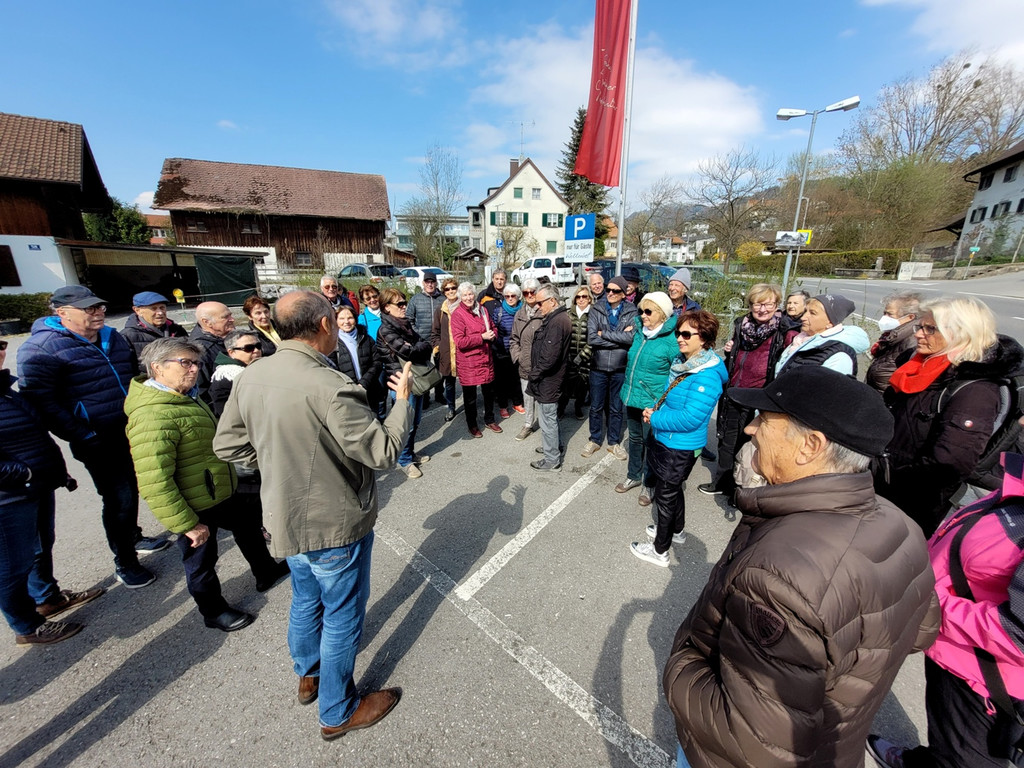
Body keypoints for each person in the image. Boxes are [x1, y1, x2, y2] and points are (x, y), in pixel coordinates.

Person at [664, 366, 939, 768]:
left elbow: (750, 741)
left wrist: (681, 665)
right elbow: (921, 630)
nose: (750, 429)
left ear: (810, 446)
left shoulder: (779, 575)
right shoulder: (902, 524)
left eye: (765, 420)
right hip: (835, 745)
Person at [213, 290, 413, 740]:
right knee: (342, 615)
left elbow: (227, 445)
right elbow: (382, 452)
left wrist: (275, 457)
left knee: (306, 600)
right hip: (333, 522)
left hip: (282, 518)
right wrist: (403, 402)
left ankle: (309, 676)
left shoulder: (252, 374)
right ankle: (337, 710)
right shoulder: (330, 385)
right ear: (324, 325)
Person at [867, 448, 1024, 768]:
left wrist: (933, 606)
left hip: (985, 677)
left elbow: (1018, 631)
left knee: (963, 756)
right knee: (944, 733)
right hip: (955, 647)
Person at [125, 338, 289, 632]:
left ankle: (266, 571)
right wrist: (185, 523)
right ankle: (213, 611)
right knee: (200, 560)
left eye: (196, 363)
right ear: (157, 368)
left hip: (219, 488)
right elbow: (153, 479)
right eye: (184, 363)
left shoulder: (184, 396)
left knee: (248, 526)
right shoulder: (152, 414)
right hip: (193, 503)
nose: (193, 369)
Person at [17, 285, 167, 589]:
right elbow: (43, 403)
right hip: (96, 437)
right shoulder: (41, 348)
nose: (98, 312)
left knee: (135, 487)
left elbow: (134, 377)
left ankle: (133, 536)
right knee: (119, 496)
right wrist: (83, 434)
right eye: (88, 309)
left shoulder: (113, 337)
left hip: (131, 429)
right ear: (61, 313)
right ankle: (125, 561)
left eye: (98, 307)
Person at [875, 297, 1024, 537]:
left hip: (913, 503)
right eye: (920, 327)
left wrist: (889, 477)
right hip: (880, 486)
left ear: (961, 334)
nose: (919, 335)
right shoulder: (917, 368)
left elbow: (950, 463)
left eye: (930, 329)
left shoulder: (976, 392)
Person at [1, 337, 103, 645]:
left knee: (40, 547)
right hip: (9, 496)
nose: (0, 351)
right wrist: (26, 473)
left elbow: (35, 437)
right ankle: (27, 626)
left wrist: (55, 472)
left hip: (36, 486)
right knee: (12, 565)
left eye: (0, 344)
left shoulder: (6, 390)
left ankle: (48, 597)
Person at [630, 311, 726, 567]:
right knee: (672, 489)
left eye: (686, 334)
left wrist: (656, 419)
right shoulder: (684, 361)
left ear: (704, 338)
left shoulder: (706, 375)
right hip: (668, 440)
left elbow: (690, 418)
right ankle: (676, 531)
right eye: (678, 333)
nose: (679, 339)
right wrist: (655, 408)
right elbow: (667, 392)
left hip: (679, 446)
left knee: (665, 495)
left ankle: (660, 550)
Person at [699, 284, 797, 504]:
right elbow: (736, 356)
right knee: (727, 438)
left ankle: (744, 489)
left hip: (762, 395)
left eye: (767, 304)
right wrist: (729, 350)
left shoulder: (786, 331)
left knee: (753, 443)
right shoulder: (741, 324)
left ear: (776, 305)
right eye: (757, 304)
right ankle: (723, 482)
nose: (762, 309)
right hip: (735, 390)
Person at [617, 292, 678, 505]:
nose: (643, 315)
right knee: (634, 440)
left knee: (651, 443)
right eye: (641, 311)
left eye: (648, 311)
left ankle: (649, 484)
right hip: (632, 396)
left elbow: (676, 374)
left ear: (661, 314)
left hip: (652, 403)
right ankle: (633, 476)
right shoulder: (639, 334)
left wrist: (663, 400)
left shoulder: (671, 341)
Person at [376, 288, 432, 478]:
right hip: (400, 382)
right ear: (386, 308)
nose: (404, 306)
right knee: (405, 423)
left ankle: (409, 453)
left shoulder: (405, 324)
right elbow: (409, 352)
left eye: (404, 302)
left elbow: (426, 344)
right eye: (399, 304)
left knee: (415, 421)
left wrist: (417, 347)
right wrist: (416, 348)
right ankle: (405, 460)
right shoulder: (385, 330)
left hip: (413, 378)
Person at [584, 276, 637, 460]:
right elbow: (592, 338)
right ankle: (594, 439)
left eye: (615, 291)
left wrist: (604, 334)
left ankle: (613, 442)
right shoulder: (597, 308)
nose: (610, 294)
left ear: (623, 294)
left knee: (616, 407)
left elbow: (631, 339)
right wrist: (619, 337)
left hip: (620, 366)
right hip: (598, 365)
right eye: (608, 290)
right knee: (596, 406)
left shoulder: (632, 311)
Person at [528, 283, 572, 471]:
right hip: (549, 379)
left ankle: (552, 459)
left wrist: (534, 375)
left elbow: (549, 357)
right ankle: (552, 447)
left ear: (552, 301)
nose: (537, 306)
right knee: (549, 418)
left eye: (540, 303)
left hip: (549, 380)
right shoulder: (556, 318)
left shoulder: (557, 322)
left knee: (547, 419)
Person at [775, 293, 870, 377]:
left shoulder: (839, 357)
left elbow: (826, 394)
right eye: (805, 311)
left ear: (830, 322)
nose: (803, 317)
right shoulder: (802, 339)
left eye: (812, 313)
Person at [450, 282, 500, 437]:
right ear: (460, 297)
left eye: (470, 294)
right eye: (464, 295)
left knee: (489, 392)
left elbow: (493, 327)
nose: (468, 297)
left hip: (485, 358)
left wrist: (493, 335)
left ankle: (489, 419)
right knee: (470, 397)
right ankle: (472, 424)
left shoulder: (483, 310)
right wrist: (481, 337)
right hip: (469, 361)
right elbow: (460, 342)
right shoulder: (458, 315)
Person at [509, 278, 544, 442]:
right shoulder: (520, 314)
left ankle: (546, 428)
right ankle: (528, 424)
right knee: (528, 398)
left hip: (543, 364)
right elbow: (513, 339)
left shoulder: (545, 311)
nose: (530, 295)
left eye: (533, 291)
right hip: (525, 364)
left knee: (544, 399)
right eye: (526, 292)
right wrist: (518, 357)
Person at [331, 306, 384, 414]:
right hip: (348, 394)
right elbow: (331, 369)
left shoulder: (366, 338)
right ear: (336, 320)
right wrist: (350, 387)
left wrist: (364, 383)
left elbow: (377, 362)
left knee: (375, 421)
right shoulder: (333, 343)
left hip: (370, 390)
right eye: (341, 318)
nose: (346, 322)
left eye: (350, 318)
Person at [866, 291, 921, 393]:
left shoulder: (912, 343)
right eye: (884, 313)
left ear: (910, 317)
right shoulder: (893, 335)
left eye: (890, 314)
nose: (884, 318)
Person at [407, 274, 446, 408]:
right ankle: (425, 396)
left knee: (440, 368)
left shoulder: (442, 299)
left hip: (439, 340)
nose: (430, 284)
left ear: (436, 283)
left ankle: (440, 394)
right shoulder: (415, 299)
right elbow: (409, 319)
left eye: (432, 282)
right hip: (421, 341)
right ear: (423, 283)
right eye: (427, 282)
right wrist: (416, 334)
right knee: (423, 369)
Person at [488, 282, 525, 418]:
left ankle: (517, 403)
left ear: (518, 296)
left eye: (513, 296)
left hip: (518, 351)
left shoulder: (523, 311)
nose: (510, 298)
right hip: (501, 351)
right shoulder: (499, 312)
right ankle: (503, 406)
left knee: (516, 379)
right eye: (507, 296)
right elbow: (493, 329)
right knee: (501, 381)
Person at [188, 301, 236, 404]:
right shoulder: (199, 350)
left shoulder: (230, 337)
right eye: (225, 317)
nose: (232, 319)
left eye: (231, 315)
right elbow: (202, 391)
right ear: (207, 322)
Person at [208, 329, 264, 417]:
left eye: (258, 346)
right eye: (249, 348)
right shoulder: (226, 375)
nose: (256, 350)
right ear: (232, 352)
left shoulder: (257, 368)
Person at [121, 291, 188, 362]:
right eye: (154, 308)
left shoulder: (177, 330)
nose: (160, 313)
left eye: (162, 308)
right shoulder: (127, 336)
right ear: (137, 310)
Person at [558, 285, 593, 420]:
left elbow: (594, 339)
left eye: (584, 296)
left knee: (582, 386)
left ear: (589, 299)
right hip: (569, 356)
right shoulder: (568, 314)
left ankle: (578, 408)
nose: (581, 299)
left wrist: (582, 356)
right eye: (578, 296)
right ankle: (561, 409)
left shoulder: (594, 314)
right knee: (565, 386)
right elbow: (562, 336)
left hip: (586, 358)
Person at [431, 277, 461, 423]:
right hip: (447, 353)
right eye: (447, 289)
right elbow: (435, 332)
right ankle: (451, 408)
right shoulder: (440, 310)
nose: (450, 291)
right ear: (443, 291)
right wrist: (438, 347)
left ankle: (470, 406)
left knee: (468, 382)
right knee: (449, 382)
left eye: (453, 288)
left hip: (463, 351)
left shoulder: (464, 306)